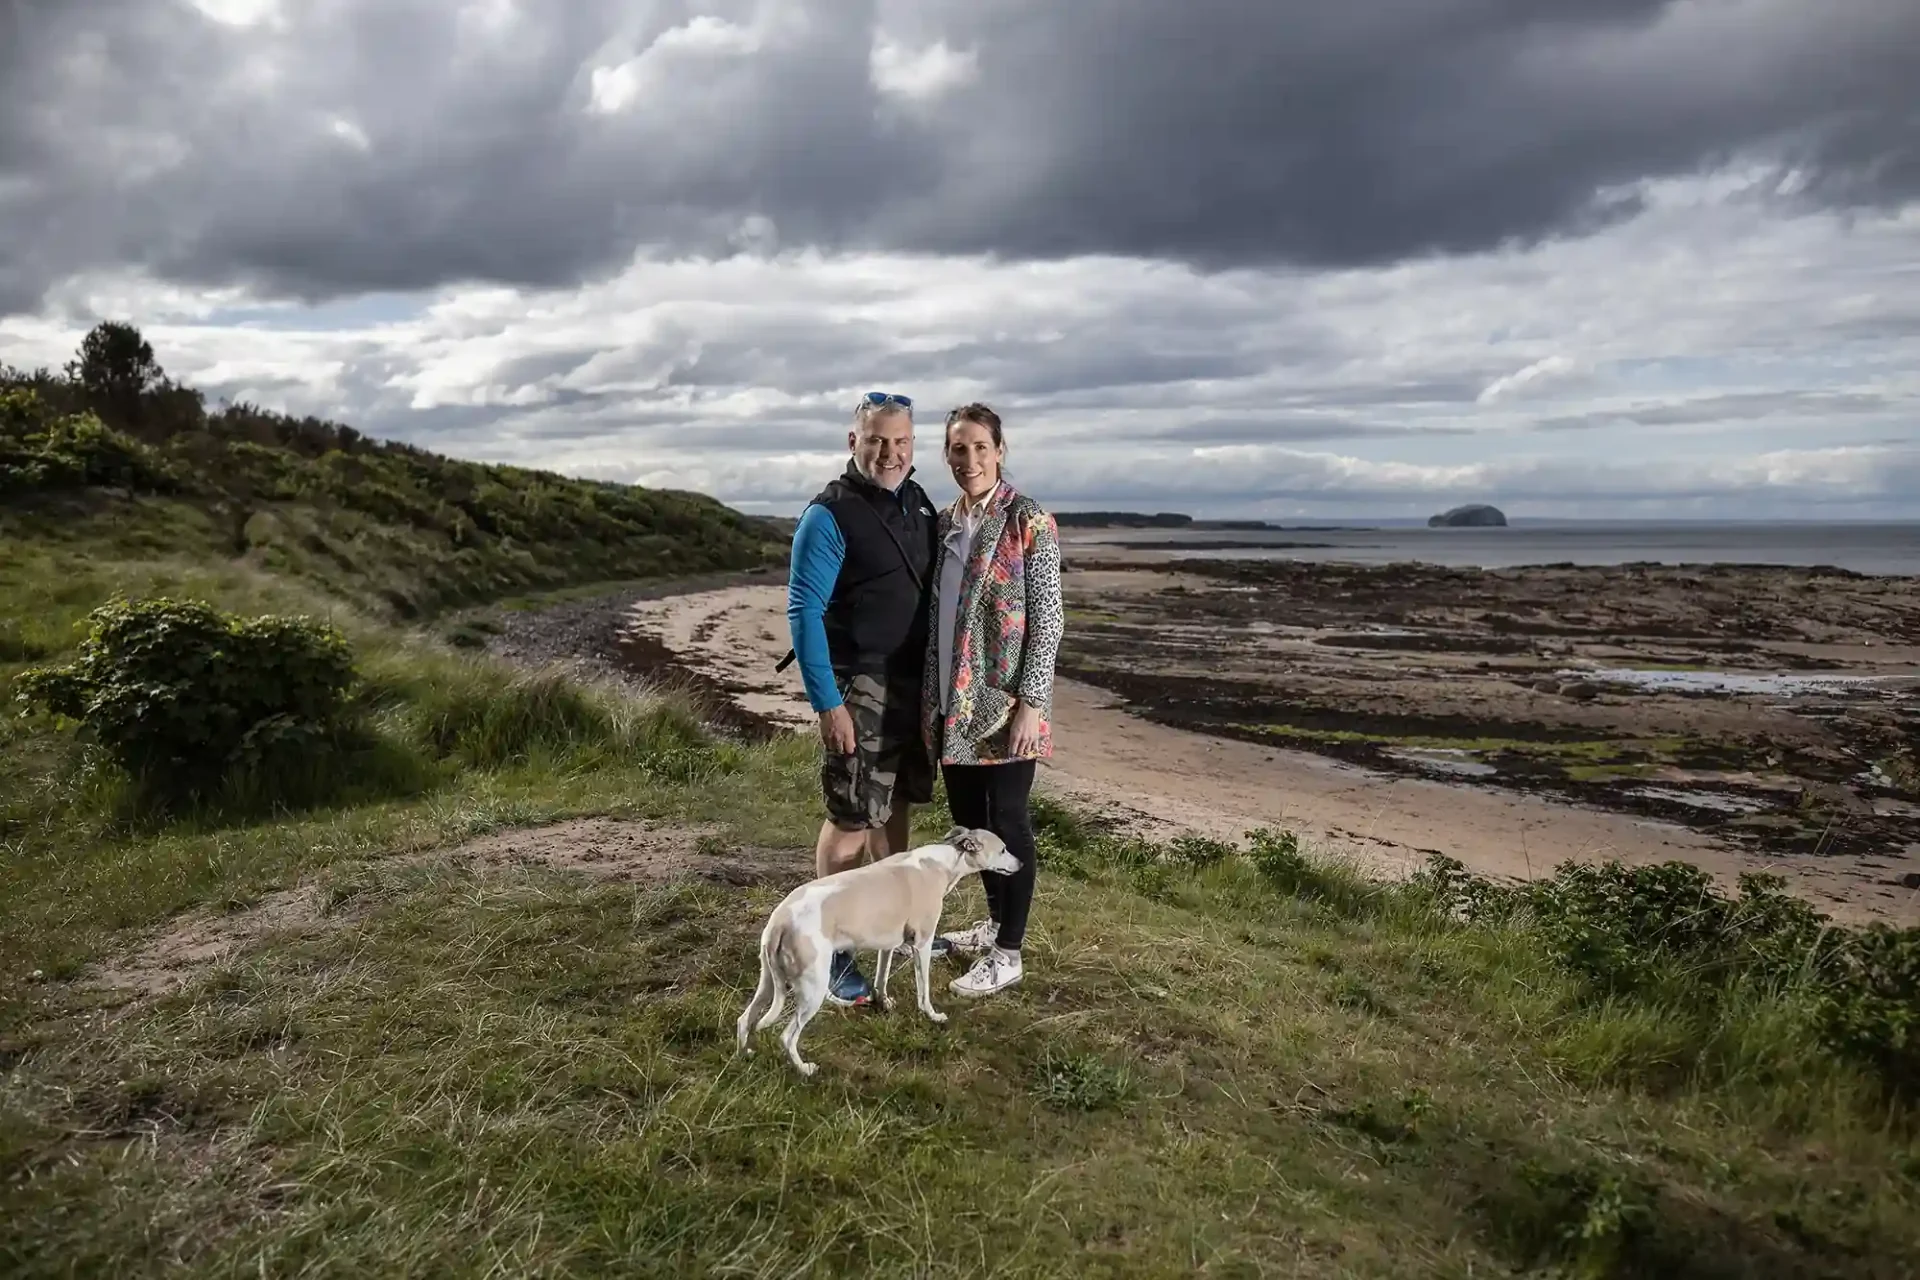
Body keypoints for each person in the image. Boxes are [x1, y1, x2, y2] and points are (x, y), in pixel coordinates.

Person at [784, 391, 947, 1007]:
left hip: (912, 683)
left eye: (901, 442)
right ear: (854, 441)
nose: (890, 452)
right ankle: (833, 948)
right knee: (851, 819)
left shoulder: (920, 502)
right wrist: (829, 704)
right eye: (878, 440)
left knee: (896, 805)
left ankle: (894, 925)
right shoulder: (828, 515)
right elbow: (803, 611)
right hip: (860, 685)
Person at [922, 402, 1064, 997]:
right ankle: (992, 922)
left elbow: (1049, 619)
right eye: (959, 448)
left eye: (981, 447)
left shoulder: (1029, 519)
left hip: (1005, 705)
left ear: (1000, 451)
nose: (970, 459)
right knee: (969, 825)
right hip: (952, 705)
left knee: (1007, 822)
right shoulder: (943, 523)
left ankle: (1010, 952)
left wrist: (1032, 703)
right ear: (947, 454)